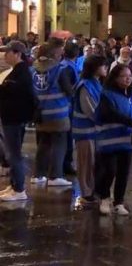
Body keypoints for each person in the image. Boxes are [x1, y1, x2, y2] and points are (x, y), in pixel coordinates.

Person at [96, 64, 132, 216]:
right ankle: (104, 198)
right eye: (124, 76)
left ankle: (119, 201)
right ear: (115, 78)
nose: (128, 78)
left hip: (126, 139)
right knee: (109, 170)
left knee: (123, 172)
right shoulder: (106, 94)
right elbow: (108, 113)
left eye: (130, 75)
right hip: (109, 139)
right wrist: (129, 121)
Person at [30, 43, 74, 187]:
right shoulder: (60, 69)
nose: (61, 56)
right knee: (59, 144)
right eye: (60, 53)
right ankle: (55, 176)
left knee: (43, 144)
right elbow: (69, 91)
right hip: (58, 113)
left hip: (40, 113)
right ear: (54, 55)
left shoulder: (33, 70)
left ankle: (38, 174)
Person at [0, 41, 35, 201]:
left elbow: (21, 95)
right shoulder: (17, 71)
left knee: (14, 153)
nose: (5, 55)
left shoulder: (22, 73)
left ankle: (19, 188)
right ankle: (14, 184)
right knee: (11, 151)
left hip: (14, 118)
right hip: (10, 117)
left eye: (8, 52)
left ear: (17, 54)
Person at [71, 55, 108, 208]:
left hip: (94, 130)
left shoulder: (95, 83)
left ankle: (91, 190)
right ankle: (86, 193)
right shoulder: (85, 85)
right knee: (85, 162)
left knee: (92, 162)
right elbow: (90, 109)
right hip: (85, 130)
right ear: (94, 68)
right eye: (103, 66)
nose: (105, 69)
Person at [61, 41, 81, 176]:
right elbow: (69, 88)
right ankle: (66, 164)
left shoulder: (64, 65)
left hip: (65, 105)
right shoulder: (68, 67)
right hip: (67, 106)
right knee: (67, 137)